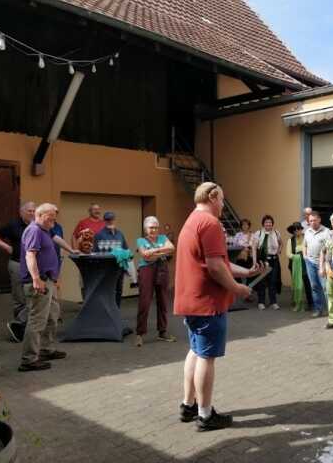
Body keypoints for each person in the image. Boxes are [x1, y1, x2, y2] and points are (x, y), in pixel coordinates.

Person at [174, 182, 261, 431]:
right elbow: (214, 267)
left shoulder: (192, 220)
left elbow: (217, 262)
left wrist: (246, 271)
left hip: (192, 301)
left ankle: (188, 405)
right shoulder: (210, 223)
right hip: (208, 303)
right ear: (213, 197)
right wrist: (238, 289)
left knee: (195, 351)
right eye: (222, 199)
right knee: (206, 357)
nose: (223, 204)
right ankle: (205, 415)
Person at [19, 203, 69, 372]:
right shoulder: (34, 230)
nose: (53, 222)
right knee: (37, 321)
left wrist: (71, 250)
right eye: (50, 218)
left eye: (54, 219)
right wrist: (36, 279)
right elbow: (30, 255)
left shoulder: (45, 229)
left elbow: (55, 240)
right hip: (39, 282)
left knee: (52, 316)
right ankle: (29, 360)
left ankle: (46, 350)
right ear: (39, 216)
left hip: (49, 281)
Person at [0, 201, 36, 342]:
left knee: (33, 298)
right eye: (29, 211)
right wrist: (6, 247)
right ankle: (19, 329)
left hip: (34, 267)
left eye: (34, 211)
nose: (32, 213)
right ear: (21, 212)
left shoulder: (36, 226)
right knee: (20, 298)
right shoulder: (13, 225)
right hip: (18, 265)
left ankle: (24, 326)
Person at [135, 216, 176, 347]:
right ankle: (140, 334)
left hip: (162, 269)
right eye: (151, 227)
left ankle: (162, 332)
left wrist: (154, 251)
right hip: (146, 270)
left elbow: (172, 248)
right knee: (144, 301)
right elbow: (145, 256)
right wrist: (162, 251)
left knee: (163, 300)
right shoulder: (140, 240)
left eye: (156, 227)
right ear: (145, 229)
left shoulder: (163, 238)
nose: (154, 230)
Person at [95, 212, 128, 308]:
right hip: (106, 269)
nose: (110, 221)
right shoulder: (99, 235)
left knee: (118, 290)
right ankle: (107, 313)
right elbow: (95, 252)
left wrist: (126, 266)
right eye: (108, 220)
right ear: (104, 221)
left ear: (114, 220)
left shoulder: (120, 234)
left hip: (119, 267)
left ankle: (116, 311)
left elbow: (125, 249)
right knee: (107, 291)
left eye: (112, 219)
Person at [253, 215, 282, 310]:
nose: (268, 224)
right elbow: (254, 247)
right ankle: (261, 302)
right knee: (261, 281)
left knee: (273, 281)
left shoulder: (276, 233)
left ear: (272, 224)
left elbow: (281, 243)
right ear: (263, 224)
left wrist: (279, 251)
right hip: (263, 260)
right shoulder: (258, 233)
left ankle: (273, 302)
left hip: (274, 260)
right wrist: (254, 261)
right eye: (266, 222)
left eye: (270, 222)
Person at [303, 211, 329, 317]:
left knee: (326, 287)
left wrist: (324, 264)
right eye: (310, 221)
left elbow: (329, 249)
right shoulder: (307, 231)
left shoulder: (326, 231)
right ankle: (318, 309)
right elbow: (304, 245)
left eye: (314, 220)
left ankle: (332, 310)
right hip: (310, 263)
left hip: (323, 263)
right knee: (314, 286)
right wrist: (305, 256)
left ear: (319, 219)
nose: (312, 222)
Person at [285, 222, 313, 312]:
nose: (297, 231)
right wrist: (297, 256)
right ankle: (297, 302)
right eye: (295, 229)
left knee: (308, 284)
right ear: (293, 231)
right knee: (297, 285)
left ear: (301, 229)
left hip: (306, 264)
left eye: (298, 229)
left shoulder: (307, 237)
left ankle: (311, 303)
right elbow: (288, 254)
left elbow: (311, 249)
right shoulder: (290, 240)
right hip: (296, 265)